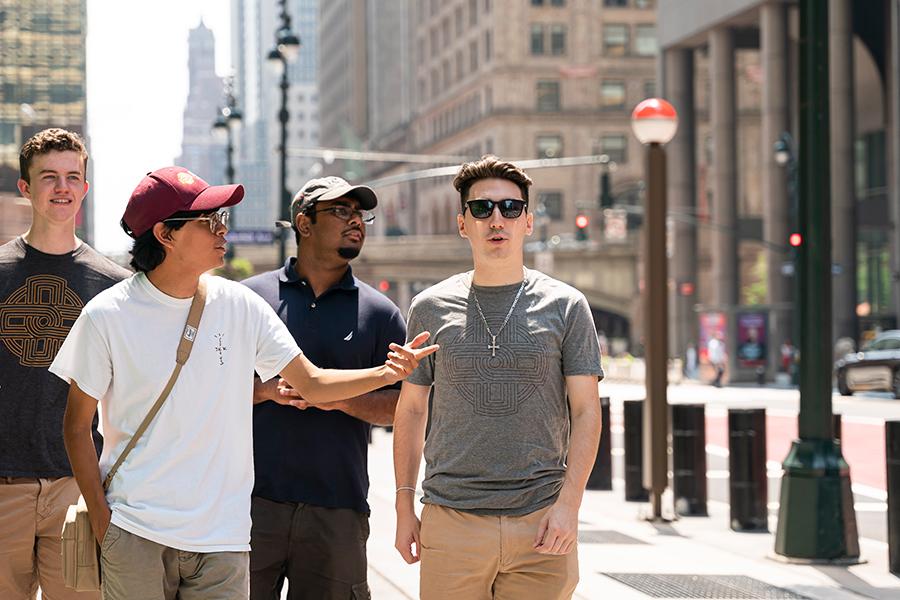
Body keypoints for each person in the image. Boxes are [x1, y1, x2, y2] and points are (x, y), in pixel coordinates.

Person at [49, 167, 436, 600]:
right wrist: (105, 524)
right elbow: (76, 426)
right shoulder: (107, 315)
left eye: (223, 220)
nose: (221, 229)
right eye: (208, 221)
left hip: (223, 540)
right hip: (136, 531)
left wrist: (387, 374)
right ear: (165, 234)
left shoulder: (240, 305)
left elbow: (311, 381)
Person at [392, 156, 603, 600]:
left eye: (510, 208)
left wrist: (570, 505)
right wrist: (402, 504)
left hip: (542, 521)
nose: (496, 219)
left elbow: (586, 411)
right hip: (451, 519)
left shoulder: (567, 306)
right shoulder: (429, 307)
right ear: (462, 223)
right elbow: (411, 409)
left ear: (528, 221)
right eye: (481, 209)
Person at [243, 176, 406, 599]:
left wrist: (338, 398)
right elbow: (205, 390)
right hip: (249, 504)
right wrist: (263, 392)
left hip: (339, 508)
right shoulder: (249, 300)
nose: (356, 222)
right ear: (304, 223)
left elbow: (404, 409)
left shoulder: (381, 313)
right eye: (341, 211)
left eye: (360, 214)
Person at [0, 128, 131, 600]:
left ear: (85, 189)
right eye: (49, 177)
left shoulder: (117, 286)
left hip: (78, 488)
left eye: (73, 177)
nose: (62, 187)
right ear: (26, 188)